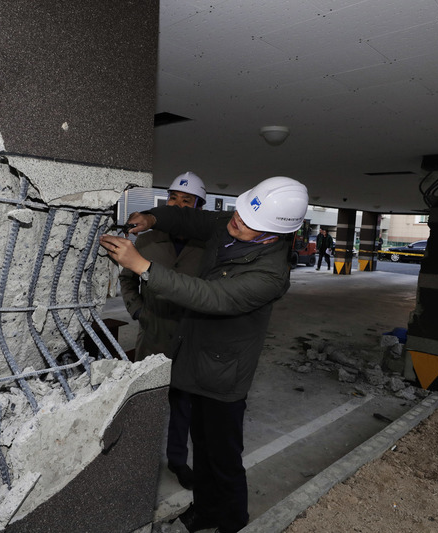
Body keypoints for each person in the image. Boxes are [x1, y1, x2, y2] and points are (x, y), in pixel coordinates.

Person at [101, 176, 309, 533]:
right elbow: (192, 221)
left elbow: (210, 297)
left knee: (223, 456)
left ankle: (232, 520)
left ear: (270, 235)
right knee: (202, 443)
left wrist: (144, 267)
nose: (234, 221)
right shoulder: (237, 221)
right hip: (195, 352)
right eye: (237, 213)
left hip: (223, 372)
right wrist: (153, 218)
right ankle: (208, 510)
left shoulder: (271, 274)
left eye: (245, 222)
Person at [118, 171, 207, 490]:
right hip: (152, 332)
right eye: (173, 199)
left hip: (189, 337)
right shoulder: (147, 239)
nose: (178, 205)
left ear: (199, 207)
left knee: (183, 405)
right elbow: (127, 279)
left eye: (186, 201)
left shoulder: (208, 245)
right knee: (144, 402)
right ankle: (137, 458)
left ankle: (178, 461)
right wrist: (138, 311)